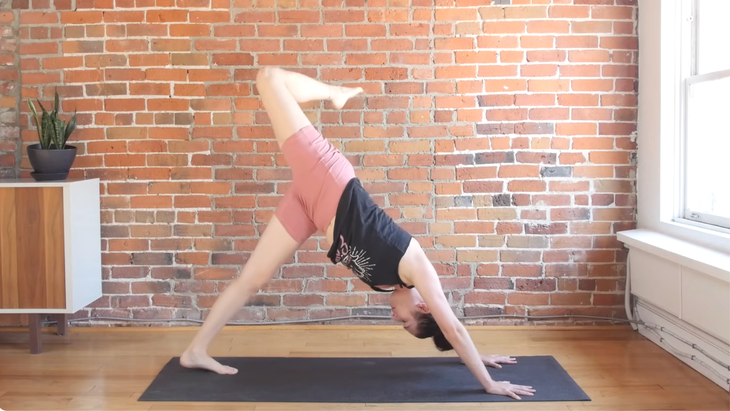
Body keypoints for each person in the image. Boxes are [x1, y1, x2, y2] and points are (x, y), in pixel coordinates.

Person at [180, 67, 536, 400]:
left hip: (310, 209)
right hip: (329, 179)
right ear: (423, 307)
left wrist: (475, 355)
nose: (395, 319)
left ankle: (195, 351)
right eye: (406, 322)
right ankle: (333, 92)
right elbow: (453, 327)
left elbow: (452, 335)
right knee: (269, 77)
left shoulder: (391, 285)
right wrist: (488, 384)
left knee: (251, 279)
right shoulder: (417, 269)